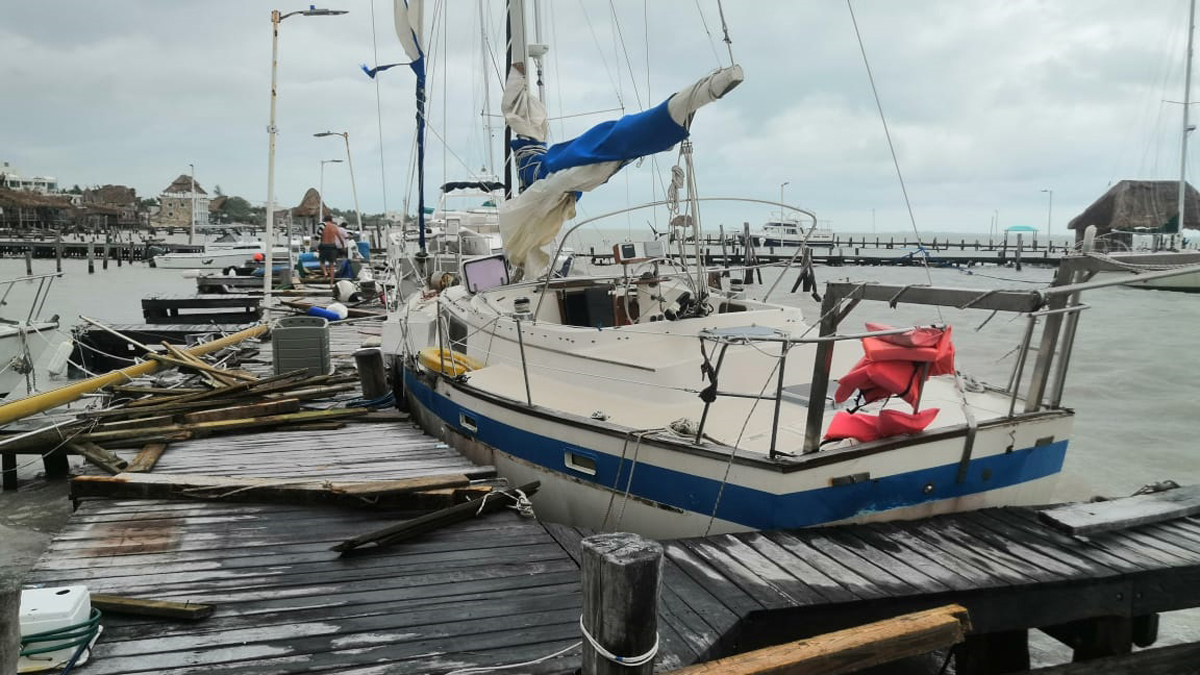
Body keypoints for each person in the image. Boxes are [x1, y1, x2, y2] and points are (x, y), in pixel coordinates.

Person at [317, 214, 346, 281]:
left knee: (322, 262)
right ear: (331, 220)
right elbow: (340, 239)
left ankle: (325, 272)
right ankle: (331, 284)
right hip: (332, 246)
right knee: (332, 265)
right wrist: (343, 247)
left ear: (324, 220)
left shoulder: (322, 226)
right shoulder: (334, 227)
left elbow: (319, 237)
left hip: (324, 245)